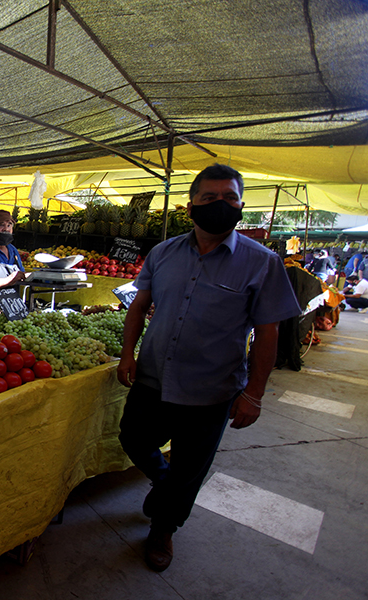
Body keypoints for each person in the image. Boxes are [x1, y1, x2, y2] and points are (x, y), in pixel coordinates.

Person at [116, 164, 301, 573]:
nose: (220, 205)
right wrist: (128, 354)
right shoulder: (162, 253)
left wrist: (254, 393)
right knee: (133, 439)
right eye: (209, 198)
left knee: (190, 467)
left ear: (240, 205)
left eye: (229, 199)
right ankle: (165, 485)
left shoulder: (262, 262)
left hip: (212, 389)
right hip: (152, 378)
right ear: (190, 206)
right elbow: (140, 306)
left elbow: (268, 333)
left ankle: (164, 528)